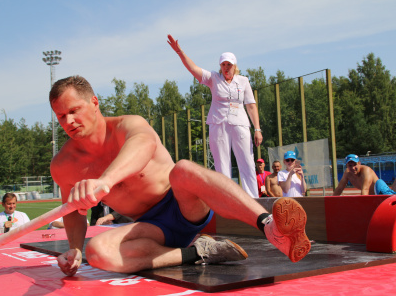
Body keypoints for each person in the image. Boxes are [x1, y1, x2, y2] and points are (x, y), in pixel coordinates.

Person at [49, 75, 310, 277]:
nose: (68, 121)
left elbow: (143, 146)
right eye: (61, 116)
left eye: (74, 110)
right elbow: (71, 212)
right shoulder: (63, 165)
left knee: (183, 169)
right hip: (151, 229)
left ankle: (270, 227)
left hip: (185, 204)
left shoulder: (129, 125)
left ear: (94, 102)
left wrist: (105, 180)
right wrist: (74, 248)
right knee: (97, 252)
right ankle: (196, 252)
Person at [167, 35, 262, 198]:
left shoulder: (243, 81)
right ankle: (227, 199)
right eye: (223, 64)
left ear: (234, 66)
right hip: (218, 124)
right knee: (222, 165)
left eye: (229, 64)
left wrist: (257, 129)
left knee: (247, 162)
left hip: (240, 124)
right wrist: (180, 52)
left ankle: (252, 199)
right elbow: (193, 69)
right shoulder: (213, 78)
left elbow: (251, 106)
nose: (226, 67)